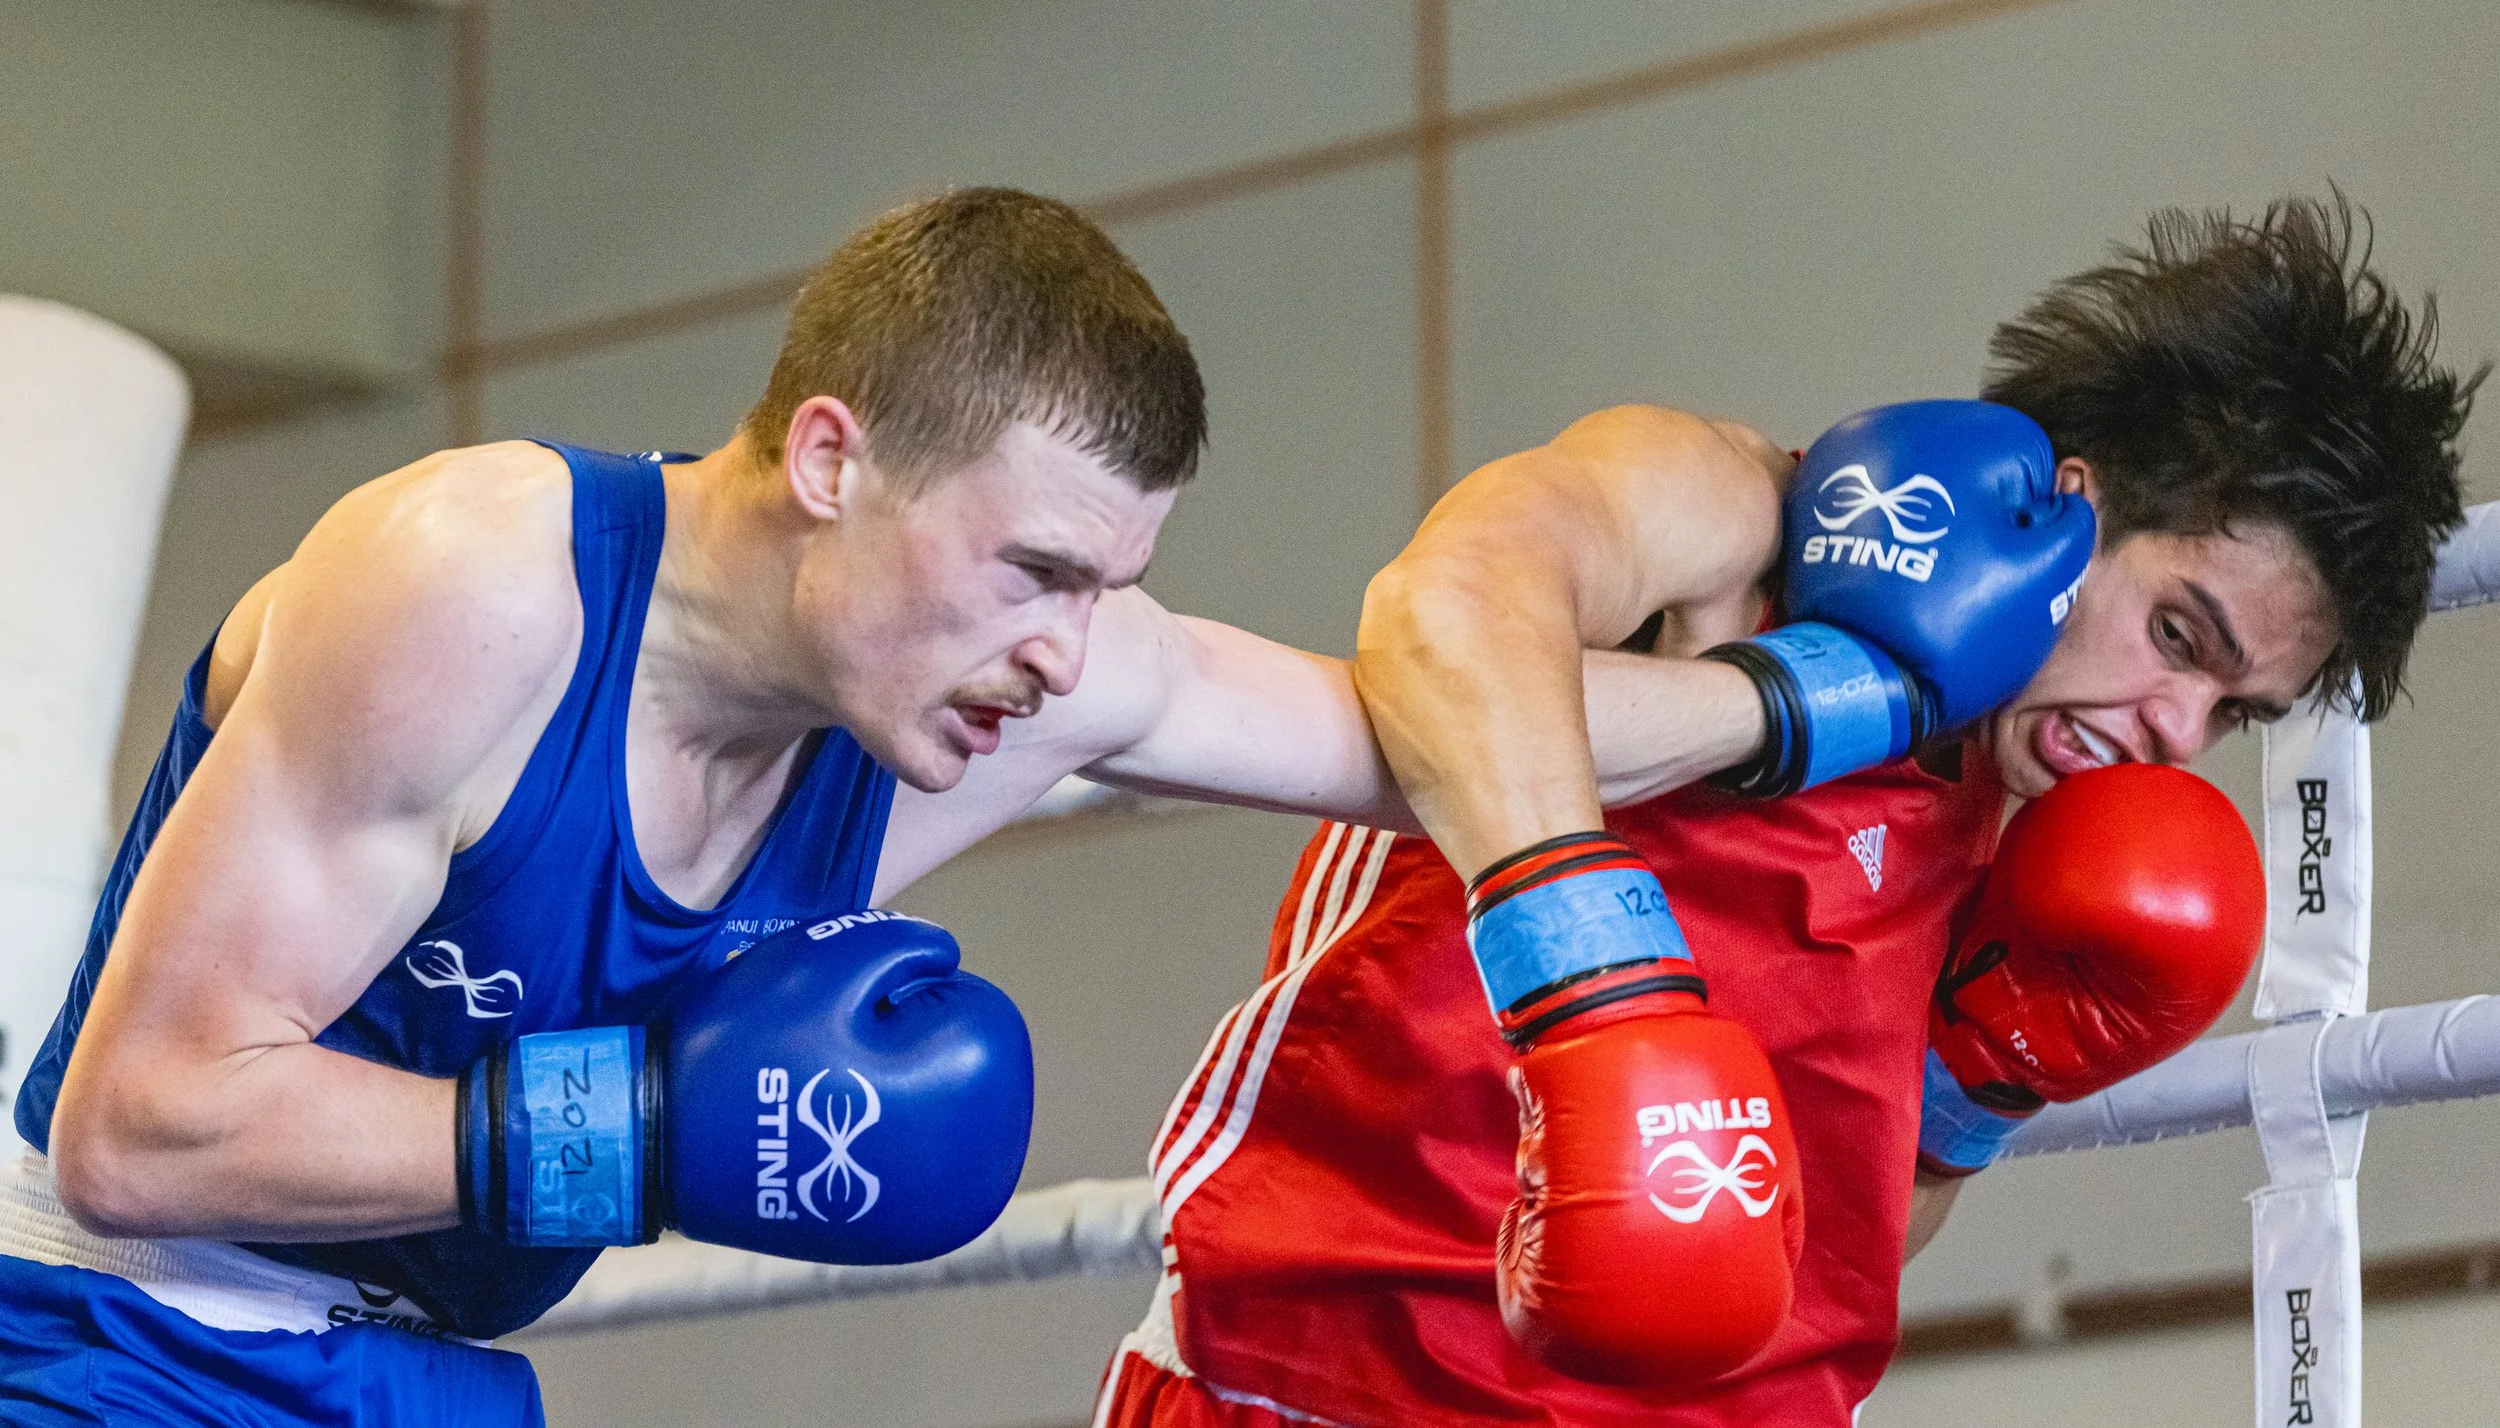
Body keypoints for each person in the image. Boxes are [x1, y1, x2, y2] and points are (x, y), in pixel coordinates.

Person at [0, 188, 1696, 1427]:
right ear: (831, 460)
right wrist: (655, 1127)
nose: (1061, 653)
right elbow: (138, 1127)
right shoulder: (479, 589)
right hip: (111, 1332)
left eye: (1106, 588)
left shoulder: (1012, 675)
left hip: (426, 1381)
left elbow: (1441, 729)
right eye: (1034, 567)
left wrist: (1834, 699)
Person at [1093, 196, 2481, 1427]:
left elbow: (1838, 1244)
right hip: (1328, 1381)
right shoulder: (1740, 521)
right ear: (2071, 499)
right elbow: (1442, 610)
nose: (2175, 731)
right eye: (2182, 636)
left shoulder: (2044, 830)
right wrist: (1602, 990)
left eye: (2231, 714)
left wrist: (1975, 1085)